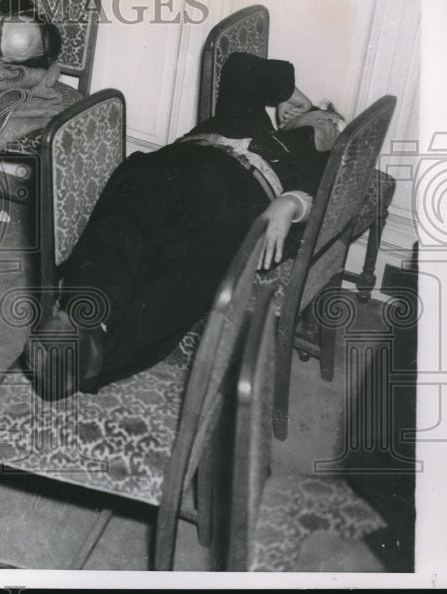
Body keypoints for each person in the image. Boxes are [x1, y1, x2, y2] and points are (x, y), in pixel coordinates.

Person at [25, 51, 346, 400]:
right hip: (169, 167)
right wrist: (297, 97)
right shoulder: (246, 114)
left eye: (336, 129)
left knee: (179, 287)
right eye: (327, 117)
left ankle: (83, 360)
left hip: (232, 201)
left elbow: (321, 207)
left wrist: (291, 203)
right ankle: (80, 321)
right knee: (118, 236)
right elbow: (241, 65)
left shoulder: (318, 165)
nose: (329, 126)